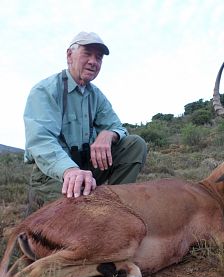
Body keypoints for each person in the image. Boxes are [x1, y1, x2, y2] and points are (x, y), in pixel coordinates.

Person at [23, 31, 147, 214]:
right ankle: (42, 206)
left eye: (98, 57)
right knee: (78, 217)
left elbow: (118, 127)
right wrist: (70, 170)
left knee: (134, 144)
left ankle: (116, 210)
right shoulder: (45, 90)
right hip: (53, 174)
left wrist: (109, 134)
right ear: (69, 55)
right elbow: (40, 141)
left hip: (86, 167)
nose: (93, 61)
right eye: (87, 54)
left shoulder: (96, 95)